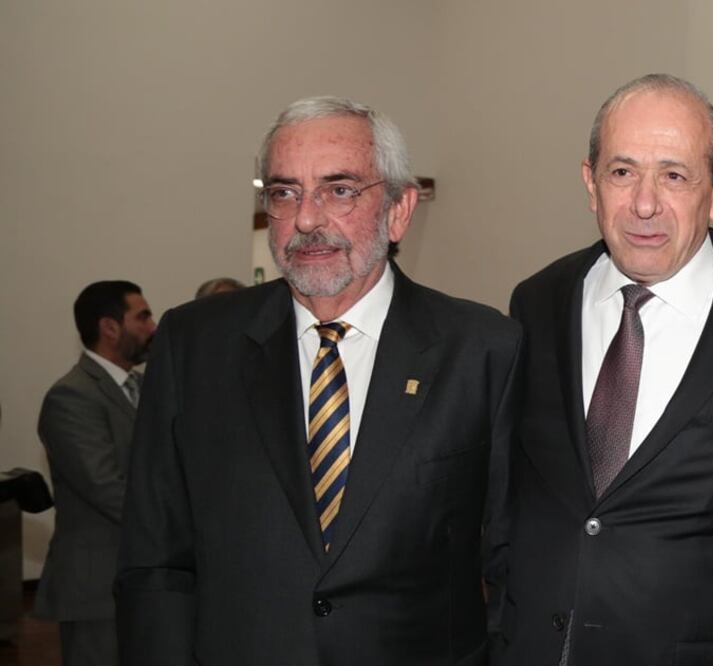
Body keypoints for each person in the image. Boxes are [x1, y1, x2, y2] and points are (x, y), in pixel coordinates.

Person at [116, 97, 521, 665]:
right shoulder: (194, 345)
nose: (306, 218)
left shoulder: (484, 349)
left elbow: (513, 564)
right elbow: (156, 559)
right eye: (284, 192)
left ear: (400, 209)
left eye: (339, 190)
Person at [493, 74, 713, 666]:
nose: (644, 203)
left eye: (674, 176)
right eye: (622, 172)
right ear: (590, 183)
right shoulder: (537, 303)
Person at [36, 280, 156, 666]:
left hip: (140, 576)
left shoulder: (140, 385)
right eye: (143, 316)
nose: (152, 326)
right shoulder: (72, 396)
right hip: (97, 586)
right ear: (110, 327)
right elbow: (106, 487)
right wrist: (180, 526)